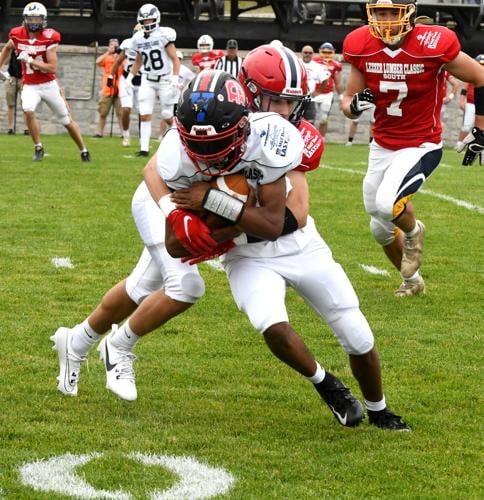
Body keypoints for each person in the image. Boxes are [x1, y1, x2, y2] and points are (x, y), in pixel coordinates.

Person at [169, 49, 410, 431]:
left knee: (357, 333)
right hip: (248, 256)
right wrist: (180, 217)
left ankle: (379, 409)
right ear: (247, 94)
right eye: (276, 99)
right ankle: (327, 385)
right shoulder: (209, 125)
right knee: (270, 322)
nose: (284, 110)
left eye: (290, 102)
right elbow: (159, 178)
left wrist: (216, 207)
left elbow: (291, 217)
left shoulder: (286, 138)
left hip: (297, 244)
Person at [341, 0, 484, 296]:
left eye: (393, 12)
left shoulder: (433, 42)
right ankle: (412, 280)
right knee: (378, 225)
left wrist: (481, 126)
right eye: (380, 12)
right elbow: (348, 99)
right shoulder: (361, 43)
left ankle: (414, 232)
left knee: (385, 204)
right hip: (382, 144)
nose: (386, 18)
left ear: (408, 13)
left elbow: (480, 77)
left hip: (421, 143)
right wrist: (353, 107)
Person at [0, 2, 91, 162]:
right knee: (28, 110)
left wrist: (30, 60)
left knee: (65, 120)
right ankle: (38, 147)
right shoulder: (17, 34)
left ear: (43, 20)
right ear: (25, 19)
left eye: (37, 19)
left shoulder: (49, 37)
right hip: (29, 85)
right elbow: (7, 48)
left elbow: (52, 67)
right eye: (31, 18)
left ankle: (83, 150)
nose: (34, 22)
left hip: (48, 85)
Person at [125, 3, 180, 156]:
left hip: (164, 79)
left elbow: (175, 59)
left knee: (167, 114)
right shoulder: (137, 38)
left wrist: (175, 77)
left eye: (150, 20)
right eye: (145, 21)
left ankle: (181, 142)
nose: (148, 23)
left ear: (156, 18)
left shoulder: (164, 34)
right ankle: (144, 149)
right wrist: (130, 77)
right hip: (147, 80)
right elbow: (138, 60)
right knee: (145, 113)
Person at [109, 25, 143, 147]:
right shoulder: (128, 43)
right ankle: (126, 135)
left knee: (143, 112)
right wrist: (110, 76)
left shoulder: (150, 45)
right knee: (126, 109)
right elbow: (118, 61)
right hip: (126, 79)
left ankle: (142, 139)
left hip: (142, 81)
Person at [312, 42, 344, 137]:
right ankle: (310, 137)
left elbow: (338, 82)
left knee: (324, 117)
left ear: (333, 52)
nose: (326, 55)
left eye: (329, 52)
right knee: (310, 118)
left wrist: (341, 97)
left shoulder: (335, 65)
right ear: (320, 52)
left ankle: (322, 139)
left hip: (327, 94)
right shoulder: (313, 62)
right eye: (324, 52)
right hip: (314, 93)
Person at [94, 38, 123, 138]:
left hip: (119, 89)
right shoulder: (107, 57)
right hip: (107, 89)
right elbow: (97, 62)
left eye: (116, 45)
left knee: (121, 113)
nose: (114, 47)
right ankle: (99, 132)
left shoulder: (122, 57)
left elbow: (126, 66)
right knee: (103, 112)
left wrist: (119, 55)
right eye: (112, 45)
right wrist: (108, 52)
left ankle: (123, 133)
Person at [455, 54, 484, 156]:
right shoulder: (472, 73)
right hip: (471, 103)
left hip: (481, 105)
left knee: (481, 129)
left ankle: (479, 148)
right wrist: (462, 100)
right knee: (467, 126)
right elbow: (465, 87)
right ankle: (459, 144)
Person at [299, 44, 330, 124]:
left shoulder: (317, 66)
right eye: (305, 52)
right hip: (296, 98)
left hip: (310, 99)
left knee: (310, 123)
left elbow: (325, 79)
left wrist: (318, 91)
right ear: (302, 53)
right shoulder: (296, 63)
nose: (307, 55)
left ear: (312, 54)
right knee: (295, 121)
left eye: (310, 53)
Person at [1, 51, 28, 135]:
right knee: (11, 104)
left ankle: (26, 128)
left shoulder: (25, 49)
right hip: (12, 78)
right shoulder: (12, 50)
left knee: (25, 105)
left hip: (24, 78)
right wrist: (10, 51)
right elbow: (5, 62)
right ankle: (10, 128)